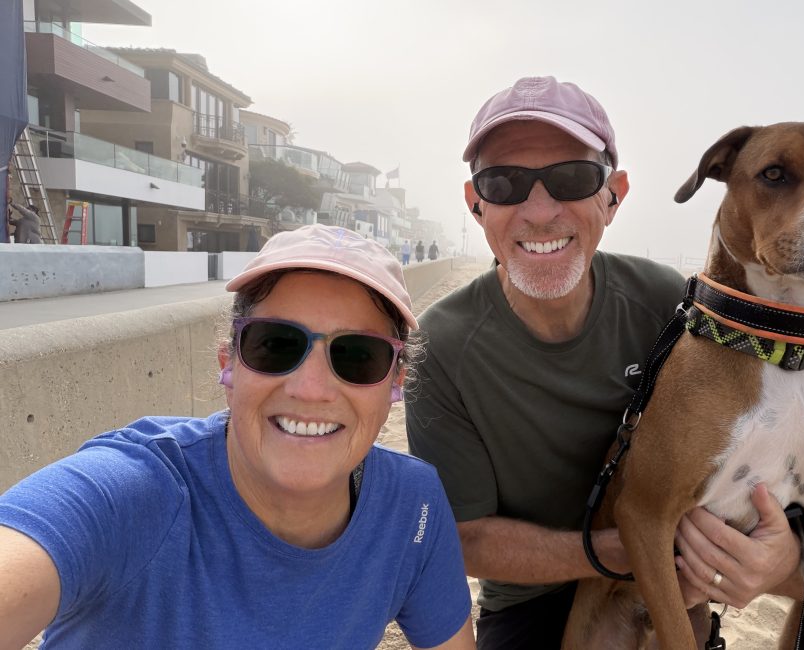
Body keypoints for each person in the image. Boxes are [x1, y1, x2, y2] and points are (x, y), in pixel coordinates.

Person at [406, 76, 804, 649]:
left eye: (571, 178)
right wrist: (627, 551)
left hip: (685, 568)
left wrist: (773, 557)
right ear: (475, 204)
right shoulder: (440, 345)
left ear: (613, 196)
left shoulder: (678, 306)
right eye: (504, 183)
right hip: (541, 594)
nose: (539, 210)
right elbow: (464, 539)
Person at [0, 224, 475, 649]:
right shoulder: (133, 493)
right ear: (229, 366)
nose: (310, 390)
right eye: (275, 346)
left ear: (395, 383)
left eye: (357, 356)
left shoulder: (412, 506)